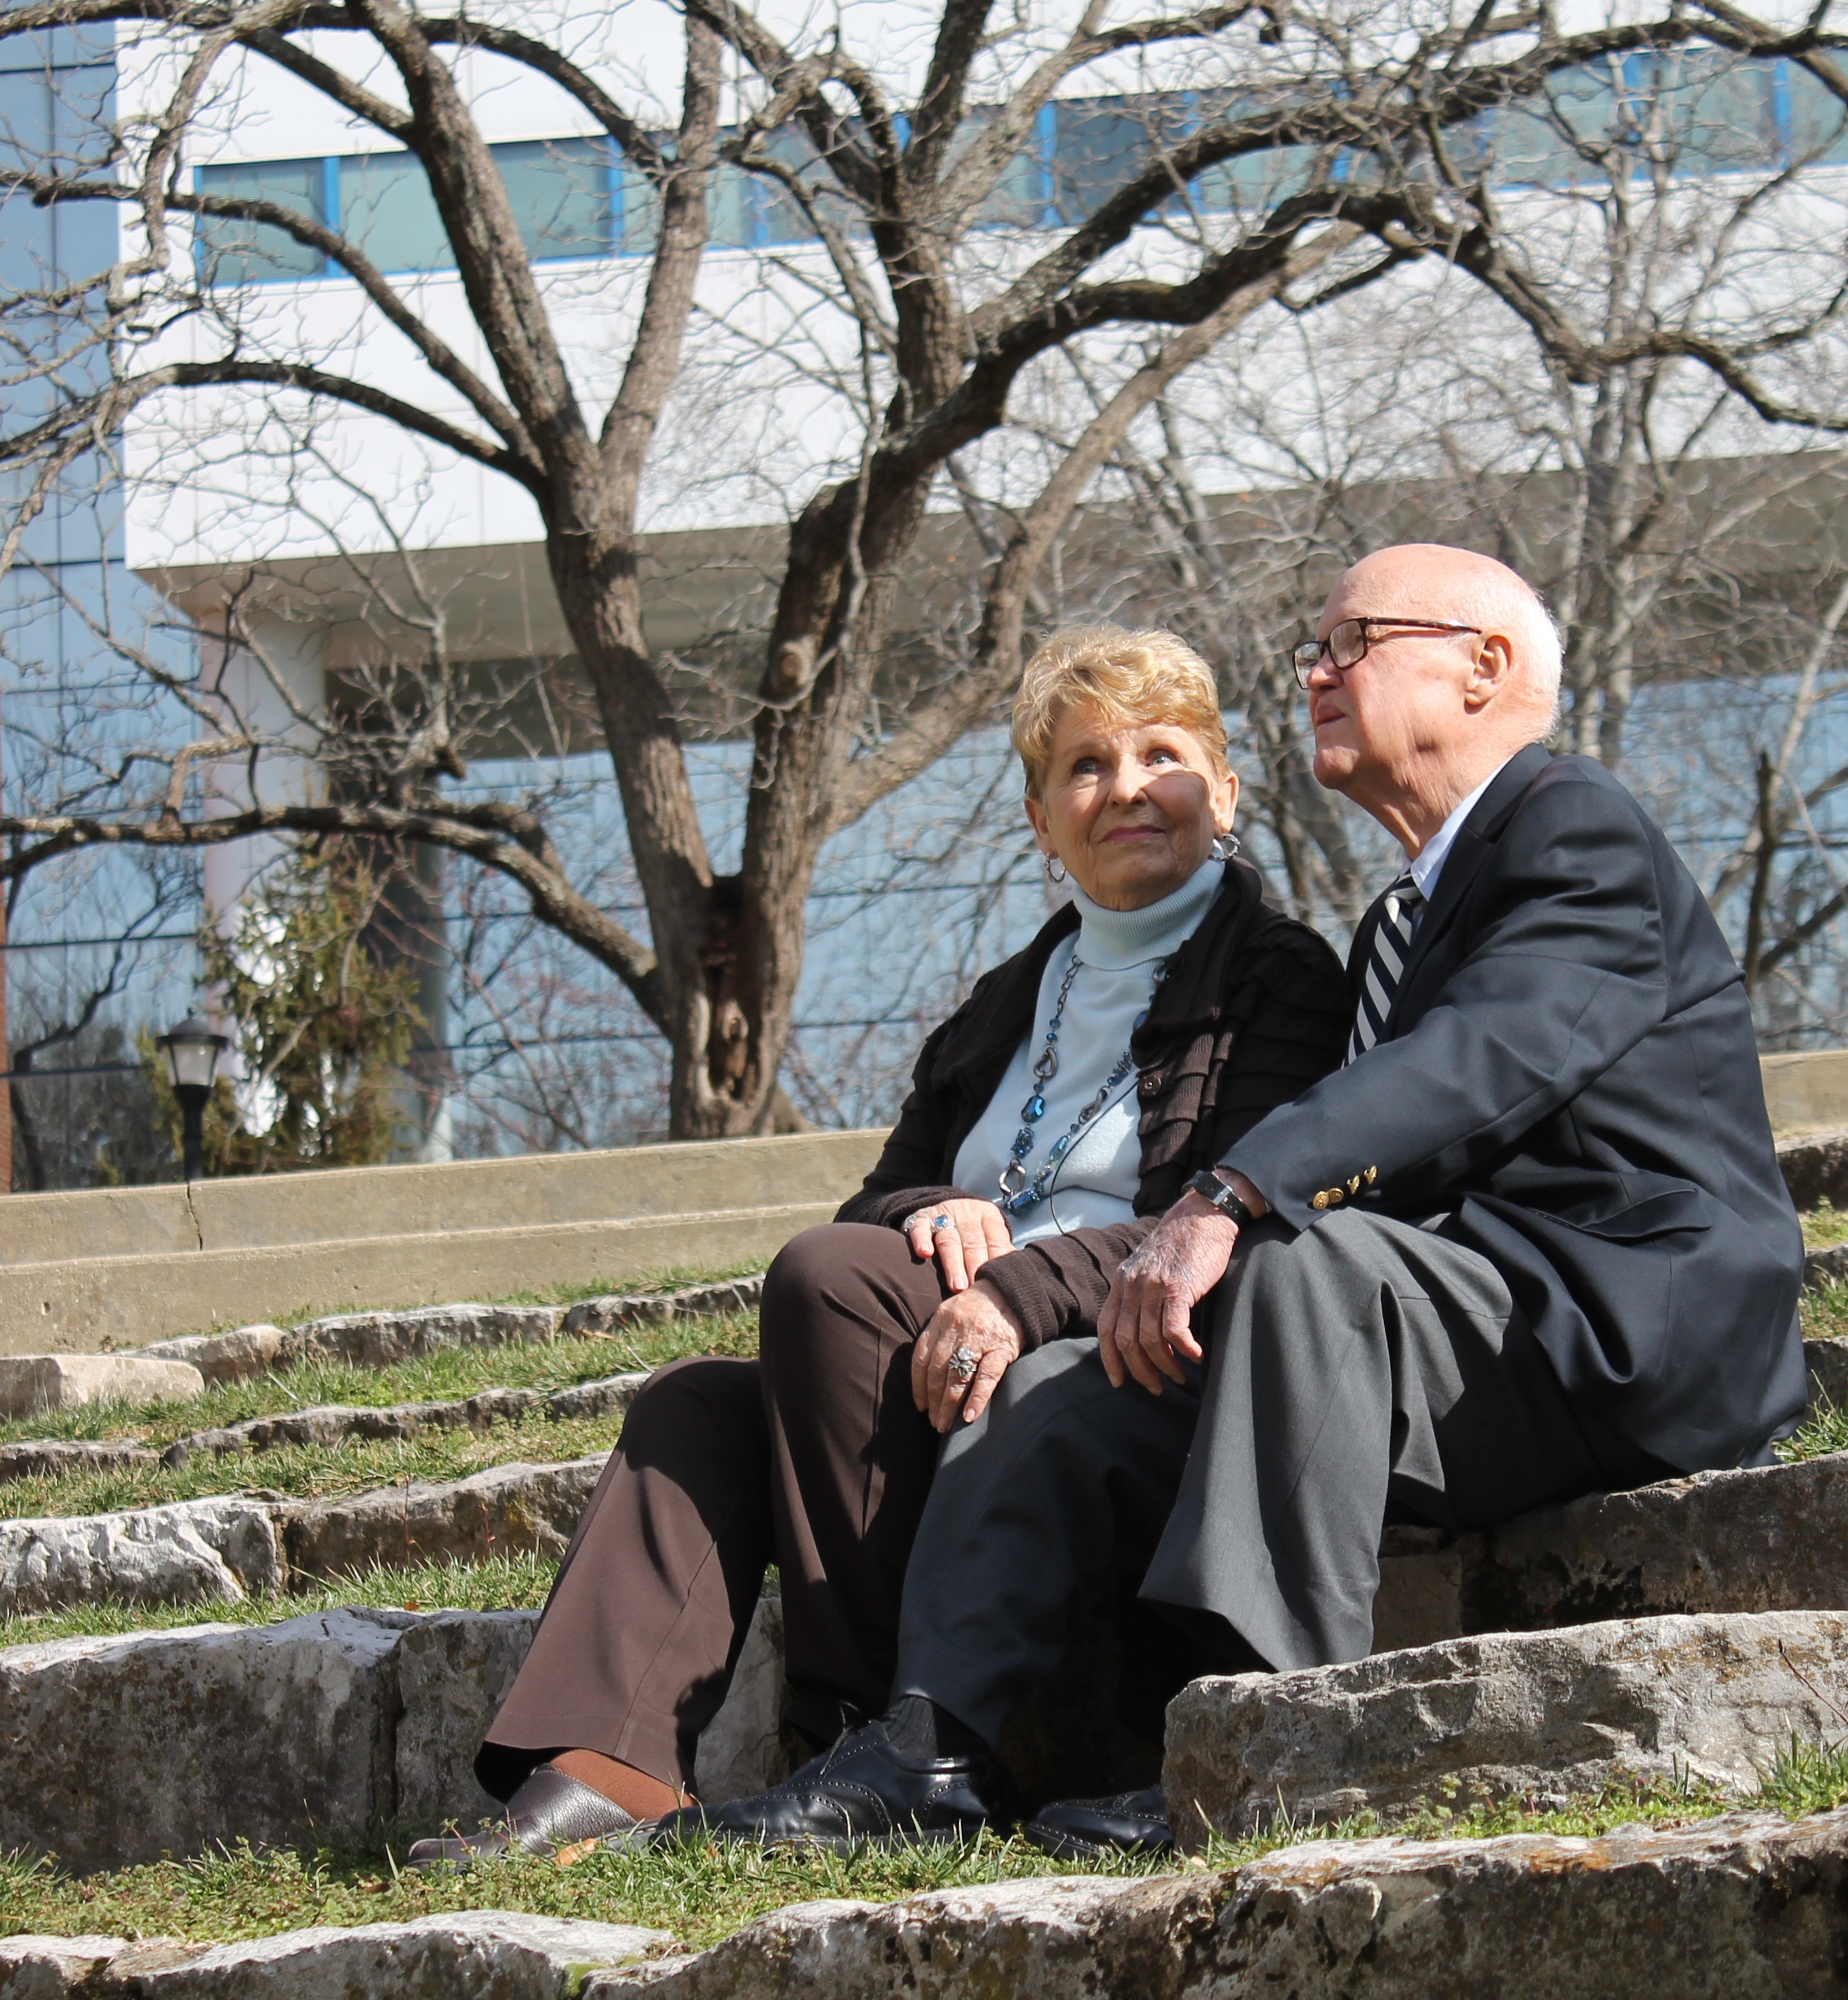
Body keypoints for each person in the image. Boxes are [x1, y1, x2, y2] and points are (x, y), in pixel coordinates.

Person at [671, 544, 1809, 1857]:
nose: (1316, 674)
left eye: (1351, 642)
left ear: (1484, 665)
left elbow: (1485, 1058)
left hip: (1618, 1322)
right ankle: (928, 1753)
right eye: (1312, 651)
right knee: (1060, 1391)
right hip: (1454, 1332)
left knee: (1300, 1265)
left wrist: (1228, 1191)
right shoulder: (1402, 918)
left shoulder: (1572, 824)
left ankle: (1268, 1742)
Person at [406, 626, 1349, 1862]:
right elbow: (879, 1200)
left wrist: (1015, 1286)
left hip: (1122, 1376)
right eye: (1083, 766)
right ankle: (605, 1765)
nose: (1125, 787)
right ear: (1037, 820)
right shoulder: (1003, 1005)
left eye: (1162, 754)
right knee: (702, 1405)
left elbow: (1218, 1218)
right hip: (938, 1369)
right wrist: (928, 1214)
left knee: (825, 1281)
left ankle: (869, 1742)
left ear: (1221, 792)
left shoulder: (1280, 981)